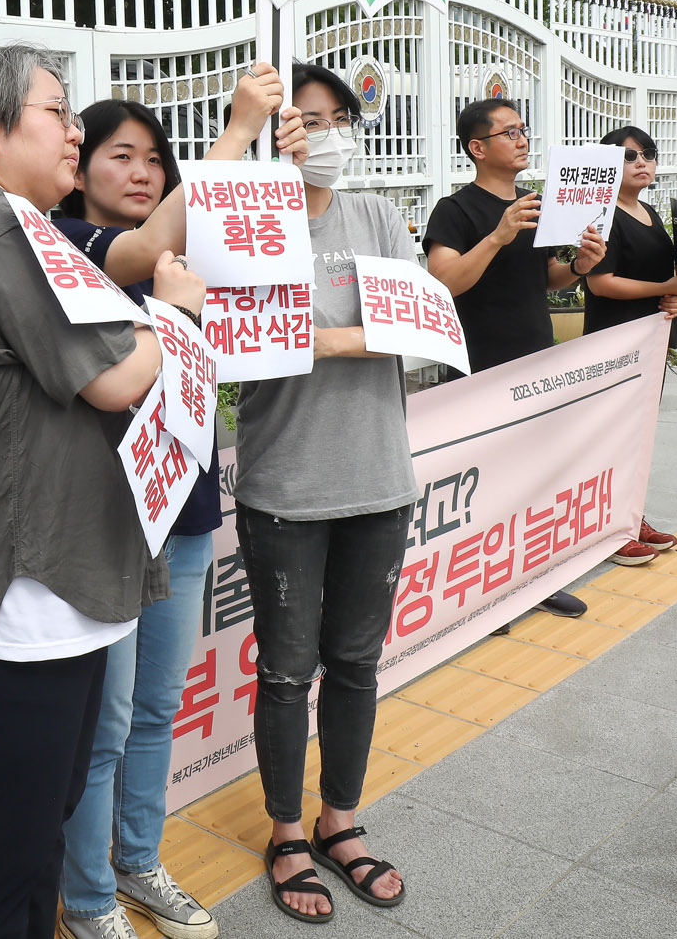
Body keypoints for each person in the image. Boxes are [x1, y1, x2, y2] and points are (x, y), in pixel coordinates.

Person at [0, 44, 207, 939]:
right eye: (56, 111)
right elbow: (115, 376)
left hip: (51, 595)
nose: (76, 131)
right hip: (11, 604)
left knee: (30, 848)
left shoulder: (21, 226)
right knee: (0, 866)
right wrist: (173, 316)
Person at [52, 67, 307, 939]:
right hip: (104, 522)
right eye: (121, 155)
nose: (144, 172)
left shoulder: (189, 251)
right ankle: (87, 899)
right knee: (105, 723)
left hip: (186, 506)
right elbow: (150, 248)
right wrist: (235, 133)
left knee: (156, 706)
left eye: (156, 159)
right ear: (77, 164)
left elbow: (270, 289)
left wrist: (281, 172)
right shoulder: (65, 244)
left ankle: (136, 859)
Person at [236, 63, 417, 922]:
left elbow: (420, 322)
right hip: (286, 487)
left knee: (355, 662)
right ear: (277, 131)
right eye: (307, 119)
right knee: (285, 670)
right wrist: (354, 334)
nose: (327, 133)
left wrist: (327, 335)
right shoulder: (250, 224)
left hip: (378, 480)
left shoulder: (377, 215)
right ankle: (284, 832)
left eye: (338, 118)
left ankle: (338, 818)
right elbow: (245, 343)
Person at [423, 99, 607, 619]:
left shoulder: (536, 202)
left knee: (534, 477)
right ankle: (476, 596)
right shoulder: (454, 210)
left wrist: (578, 266)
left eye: (524, 130)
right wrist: (499, 235)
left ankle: (534, 581)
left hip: (534, 362)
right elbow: (442, 283)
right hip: (476, 368)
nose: (522, 139)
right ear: (477, 148)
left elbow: (546, 277)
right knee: (479, 484)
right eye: (508, 133)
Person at [582, 124, 677, 564]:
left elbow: (667, 277)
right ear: (607, 166)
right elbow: (601, 283)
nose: (642, 161)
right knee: (613, 437)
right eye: (629, 156)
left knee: (637, 435)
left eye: (648, 152)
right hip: (616, 340)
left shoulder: (650, 211)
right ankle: (608, 531)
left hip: (651, 337)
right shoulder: (603, 215)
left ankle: (630, 516)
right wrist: (663, 286)